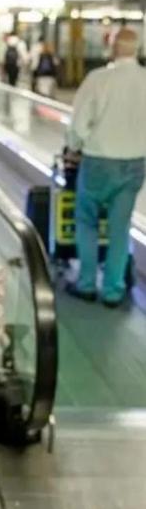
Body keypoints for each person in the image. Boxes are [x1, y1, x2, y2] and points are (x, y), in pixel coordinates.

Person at [65, 27, 146, 307]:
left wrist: (74, 147)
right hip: (135, 163)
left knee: (86, 221)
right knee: (120, 227)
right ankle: (114, 289)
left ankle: (87, 283)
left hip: (99, 161)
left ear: (113, 49)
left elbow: (78, 124)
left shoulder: (99, 79)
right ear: (137, 49)